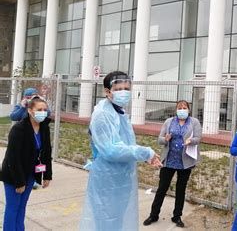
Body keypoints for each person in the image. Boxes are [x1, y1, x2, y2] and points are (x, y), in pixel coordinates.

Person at [79, 71, 162, 231]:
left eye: (126, 88)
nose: (124, 92)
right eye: (118, 89)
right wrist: (144, 153)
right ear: (107, 91)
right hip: (107, 178)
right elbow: (111, 150)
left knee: (117, 220)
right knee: (106, 221)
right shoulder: (102, 115)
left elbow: (125, 144)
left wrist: (146, 157)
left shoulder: (119, 112)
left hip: (121, 177)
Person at [144, 100, 202, 228]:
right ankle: (154, 215)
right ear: (176, 110)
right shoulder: (169, 122)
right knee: (162, 189)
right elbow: (159, 139)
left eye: (184, 107)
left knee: (180, 190)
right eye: (179, 107)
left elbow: (198, 138)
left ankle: (177, 216)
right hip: (169, 160)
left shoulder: (194, 122)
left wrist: (191, 140)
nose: (182, 110)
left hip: (185, 162)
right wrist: (165, 139)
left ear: (188, 109)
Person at [1, 97, 52, 231]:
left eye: (45, 110)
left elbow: (46, 151)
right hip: (14, 174)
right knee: (13, 207)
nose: (43, 112)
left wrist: (47, 175)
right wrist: (19, 182)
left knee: (22, 205)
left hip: (30, 172)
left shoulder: (44, 127)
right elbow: (13, 158)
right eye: (39, 110)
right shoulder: (19, 129)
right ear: (30, 111)